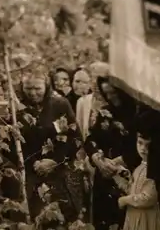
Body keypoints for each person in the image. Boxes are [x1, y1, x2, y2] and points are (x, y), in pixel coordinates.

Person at [15, 68, 83, 224]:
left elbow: (76, 138)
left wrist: (56, 160)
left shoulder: (60, 105)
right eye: (28, 88)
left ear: (46, 86)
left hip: (59, 171)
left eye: (37, 88)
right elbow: (13, 144)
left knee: (61, 218)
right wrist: (33, 163)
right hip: (29, 172)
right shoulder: (16, 109)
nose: (32, 93)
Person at [84, 76, 140, 230]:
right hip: (104, 175)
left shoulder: (139, 112)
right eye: (106, 94)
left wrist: (115, 163)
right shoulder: (105, 113)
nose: (110, 98)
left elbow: (143, 147)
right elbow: (90, 140)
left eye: (114, 93)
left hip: (129, 176)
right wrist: (97, 160)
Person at [119, 116, 160, 230]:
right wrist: (117, 175)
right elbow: (132, 189)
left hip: (146, 218)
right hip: (134, 216)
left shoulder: (155, 169)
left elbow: (149, 198)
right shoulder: (139, 167)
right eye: (140, 143)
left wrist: (124, 200)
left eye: (147, 146)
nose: (142, 149)